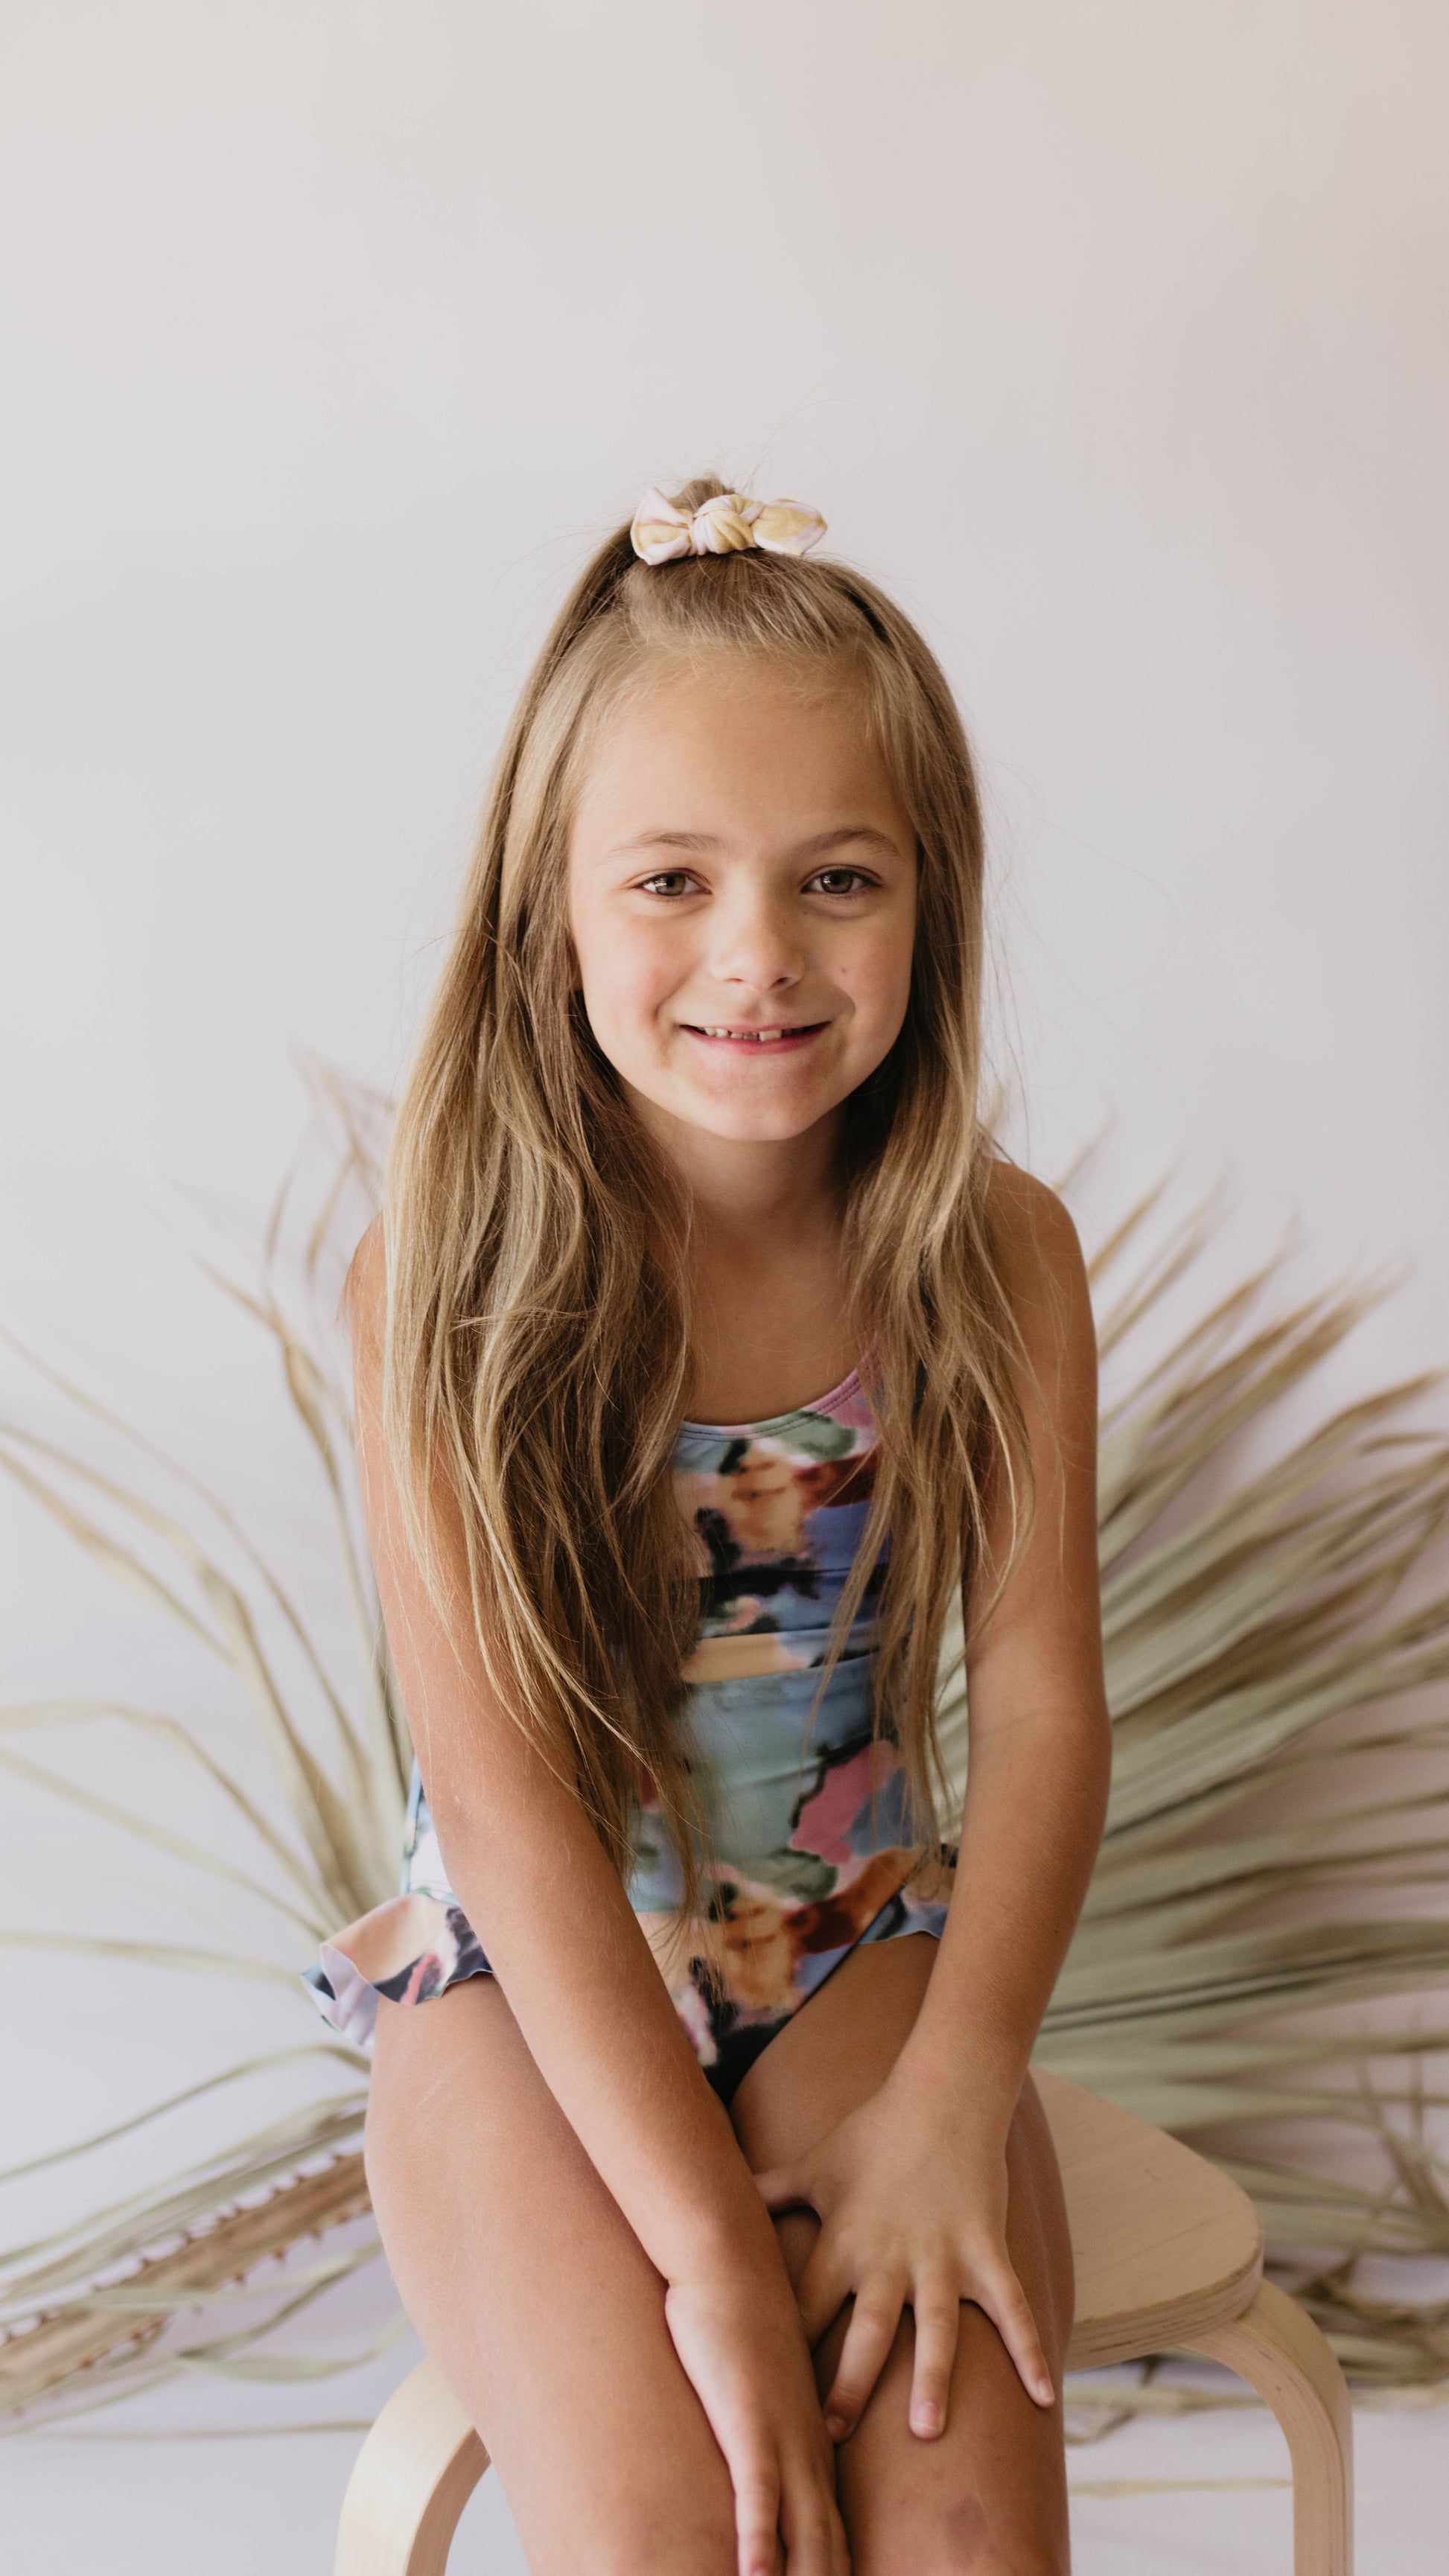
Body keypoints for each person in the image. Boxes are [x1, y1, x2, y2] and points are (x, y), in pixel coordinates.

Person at [305, 476, 1112, 2575]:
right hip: (529, 1974)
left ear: (926, 897)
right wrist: (710, 2266)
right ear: (547, 908)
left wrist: (950, 2100)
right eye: (670, 877)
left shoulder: (993, 1255)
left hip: (846, 1933)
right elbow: (497, 1807)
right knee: (689, 2531)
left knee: (952, 2534)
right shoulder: (446, 1276)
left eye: (833, 877)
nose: (754, 953)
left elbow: (1035, 1710)